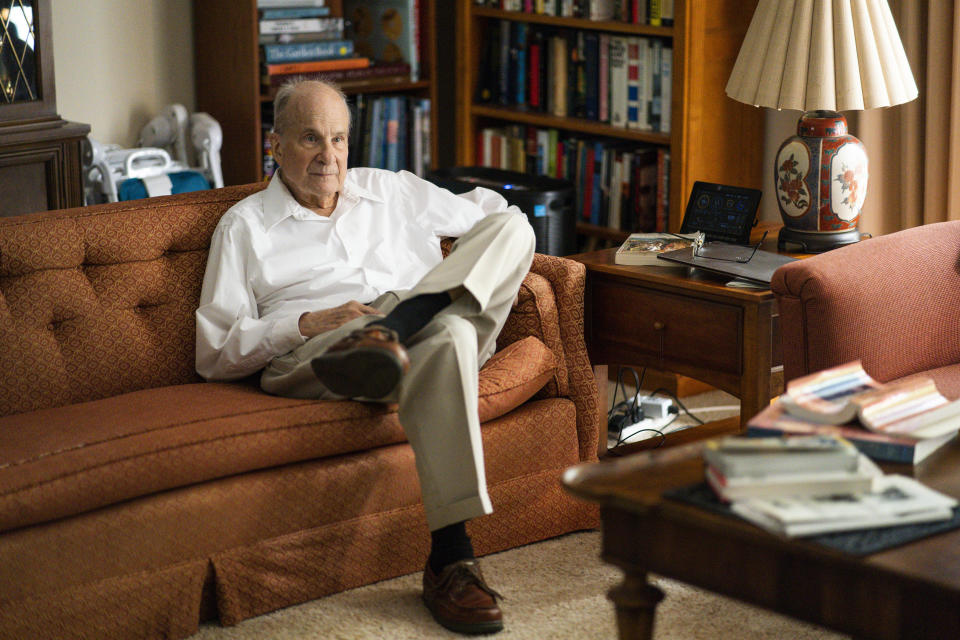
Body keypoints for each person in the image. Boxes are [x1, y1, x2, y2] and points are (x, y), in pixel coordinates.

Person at [195, 79, 536, 635]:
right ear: (274, 144)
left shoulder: (392, 190)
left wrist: (453, 279)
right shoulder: (245, 226)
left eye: (338, 140)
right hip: (322, 350)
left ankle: (401, 322)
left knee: (514, 226)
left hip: (418, 334)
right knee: (449, 336)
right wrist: (306, 322)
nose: (328, 157)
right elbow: (214, 351)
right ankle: (453, 558)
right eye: (309, 139)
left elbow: (493, 213)